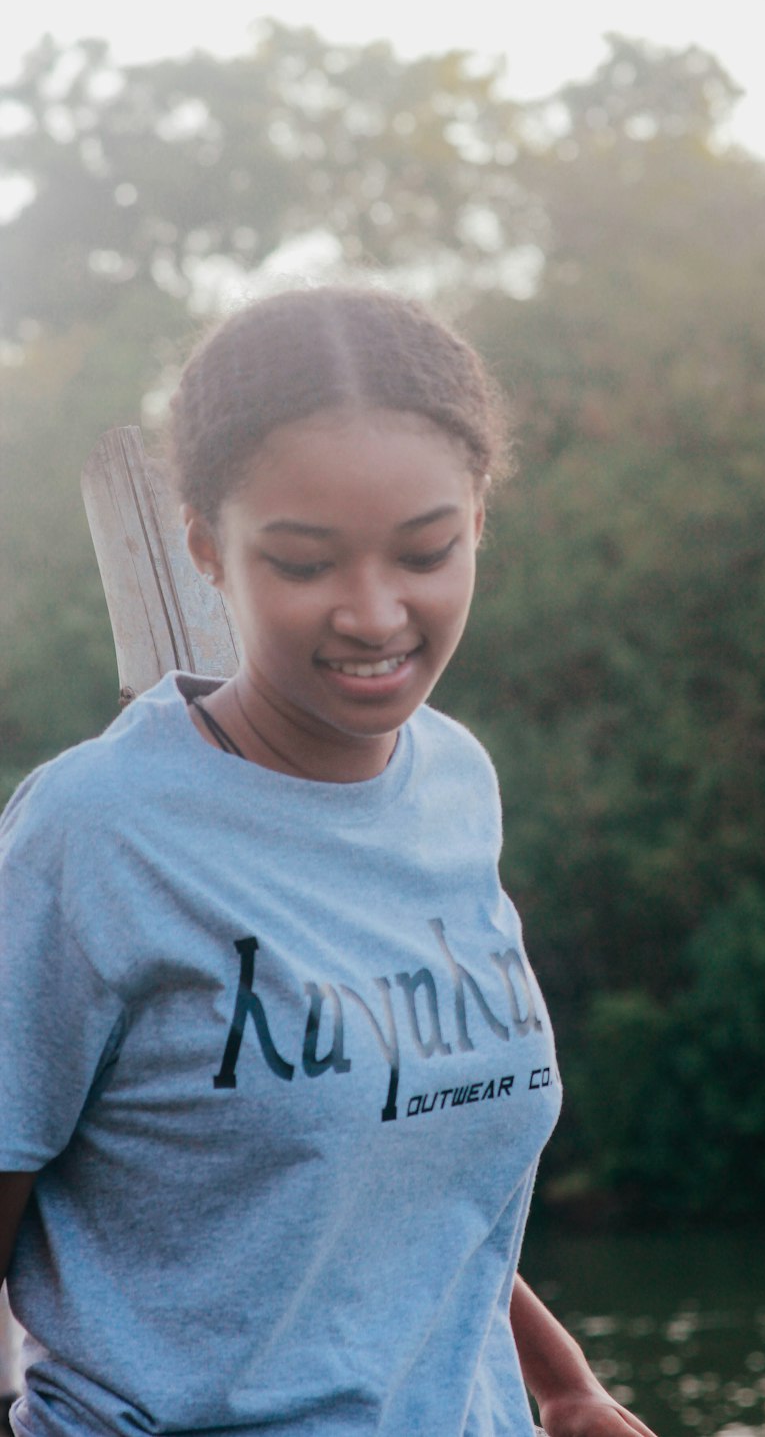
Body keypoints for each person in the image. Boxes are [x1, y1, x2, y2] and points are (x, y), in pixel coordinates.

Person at [0, 286, 657, 1437]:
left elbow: (398, 1188)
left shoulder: (455, 783)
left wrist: (563, 1386)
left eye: (426, 551)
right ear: (205, 545)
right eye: (305, 562)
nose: (373, 613)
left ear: (477, 526)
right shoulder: (92, 836)